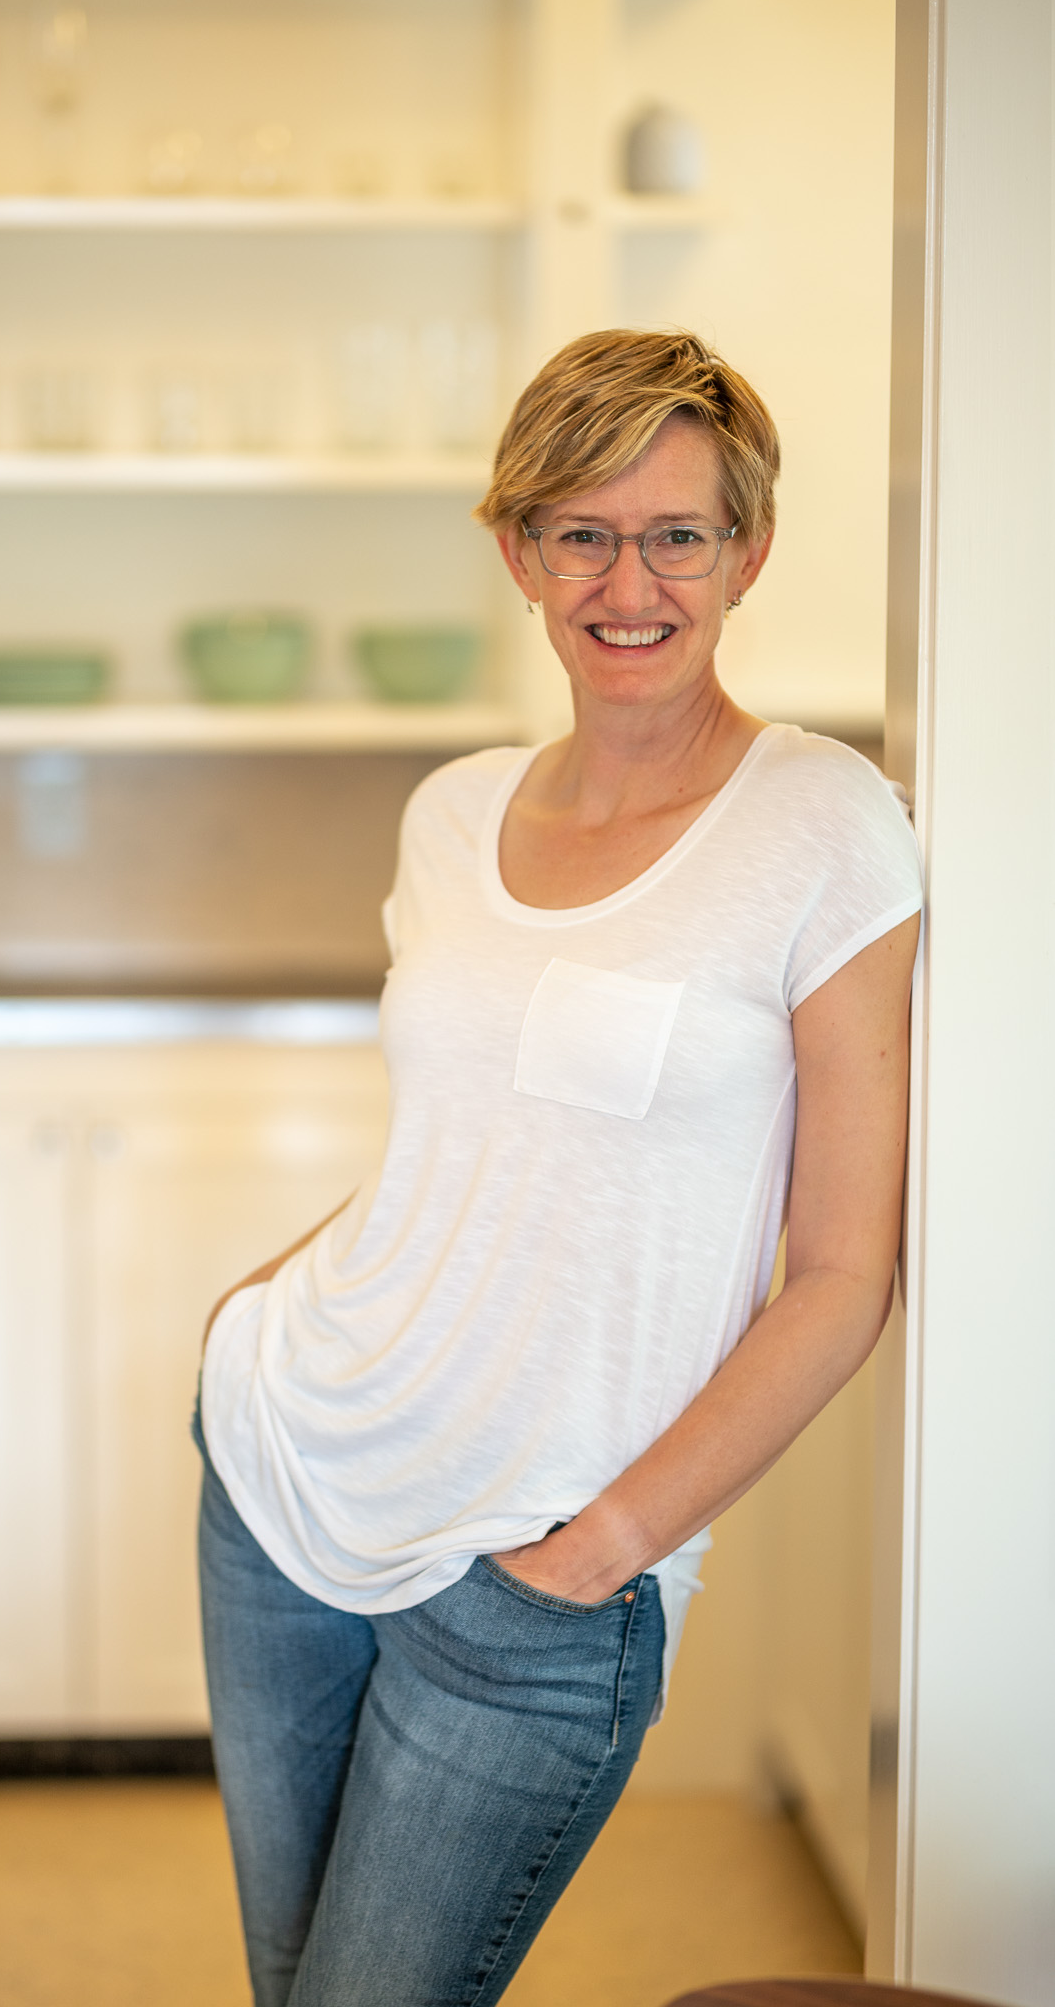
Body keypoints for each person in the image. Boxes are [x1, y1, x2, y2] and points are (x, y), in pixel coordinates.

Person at [195, 328, 922, 2007]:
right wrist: (250, 1318)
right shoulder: (451, 813)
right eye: (580, 533)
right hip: (291, 1470)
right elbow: (469, 1143)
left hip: (538, 1571)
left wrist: (602, 1553)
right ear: (518, 550)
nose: (629, 584)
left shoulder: (824, 825)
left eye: (677, 535)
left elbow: (839, 1275)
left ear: (746, 552)